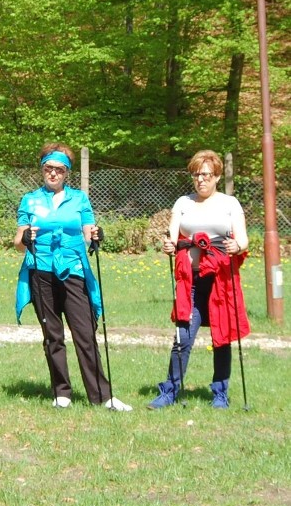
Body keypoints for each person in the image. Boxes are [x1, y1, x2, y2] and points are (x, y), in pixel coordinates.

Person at [13, 142, 131, 411]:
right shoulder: (29, 200)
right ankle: (61, 392)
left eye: (59, 170)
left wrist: (97, 236)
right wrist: (25, 237)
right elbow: (18, 243)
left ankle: (102, 395)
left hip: (73, 270)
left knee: (85, 333)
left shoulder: (79, 199)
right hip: (41, 269)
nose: (53, 173)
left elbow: (89, 231)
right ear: (42, 169)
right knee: (52, 335)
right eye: (48, 168)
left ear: (67, 173)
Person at [148, 149, 250, 410]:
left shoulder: (230, 204)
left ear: (216, 176)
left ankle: (220, 393)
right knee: (183, 337)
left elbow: (243, 240)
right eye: (196, 174)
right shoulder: (183, 203)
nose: (200, 179)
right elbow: (172, 237)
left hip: (220, 282)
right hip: (190, 283)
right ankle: (169, 390)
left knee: (222, 337)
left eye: (205, 174)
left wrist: (235, 247)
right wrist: (169, 245)